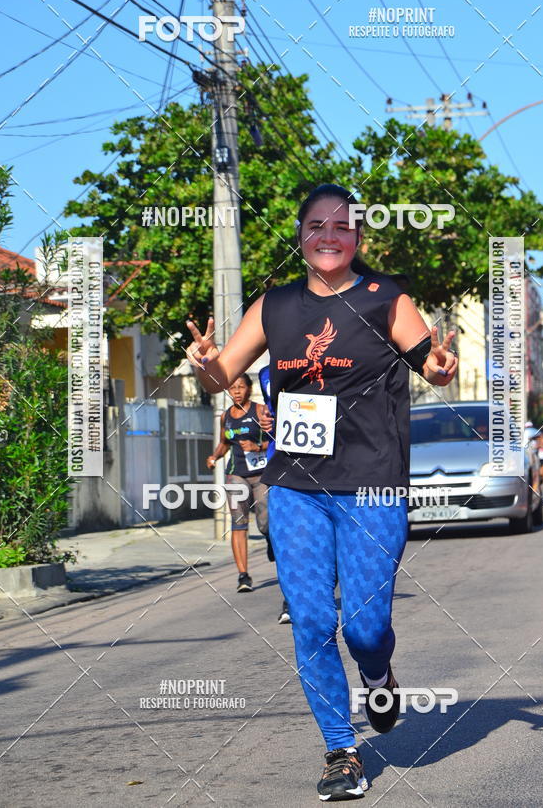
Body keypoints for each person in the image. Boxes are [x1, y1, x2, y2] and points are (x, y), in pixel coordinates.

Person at [187, 184, 458, 801]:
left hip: (372, 485)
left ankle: (378, 671)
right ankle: (342, 750)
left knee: (364, 627)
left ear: (357, 238)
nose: (328, 237)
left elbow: (432, 364)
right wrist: (206, 362)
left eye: (341, 227)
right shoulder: (275, 307)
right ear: (301, 235)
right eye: (316, 226)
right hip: (296, 487)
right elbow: (221, 375)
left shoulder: (384, 297)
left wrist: (441, 366)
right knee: (310, 620)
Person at [206, 373, 271, 593]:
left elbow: (275, 440)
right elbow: (224, 443)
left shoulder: (261, 410)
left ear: (249, 389)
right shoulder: (226, 417)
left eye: (240, 387)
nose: (236, 391)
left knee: (265, 522)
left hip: (262, 474)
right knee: (238, 522)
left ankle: (271, 539)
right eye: (232, 388)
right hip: (236, 473)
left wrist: (258, 448)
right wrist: (214, 457)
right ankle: (243, 576)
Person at [259, 364, 291, 625]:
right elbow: (270, 410)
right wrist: (267, 422)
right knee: (278, 531)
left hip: (326, 462)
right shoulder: (264, 374)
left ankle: (300, 597)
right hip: (279, 460)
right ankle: (291, 599)